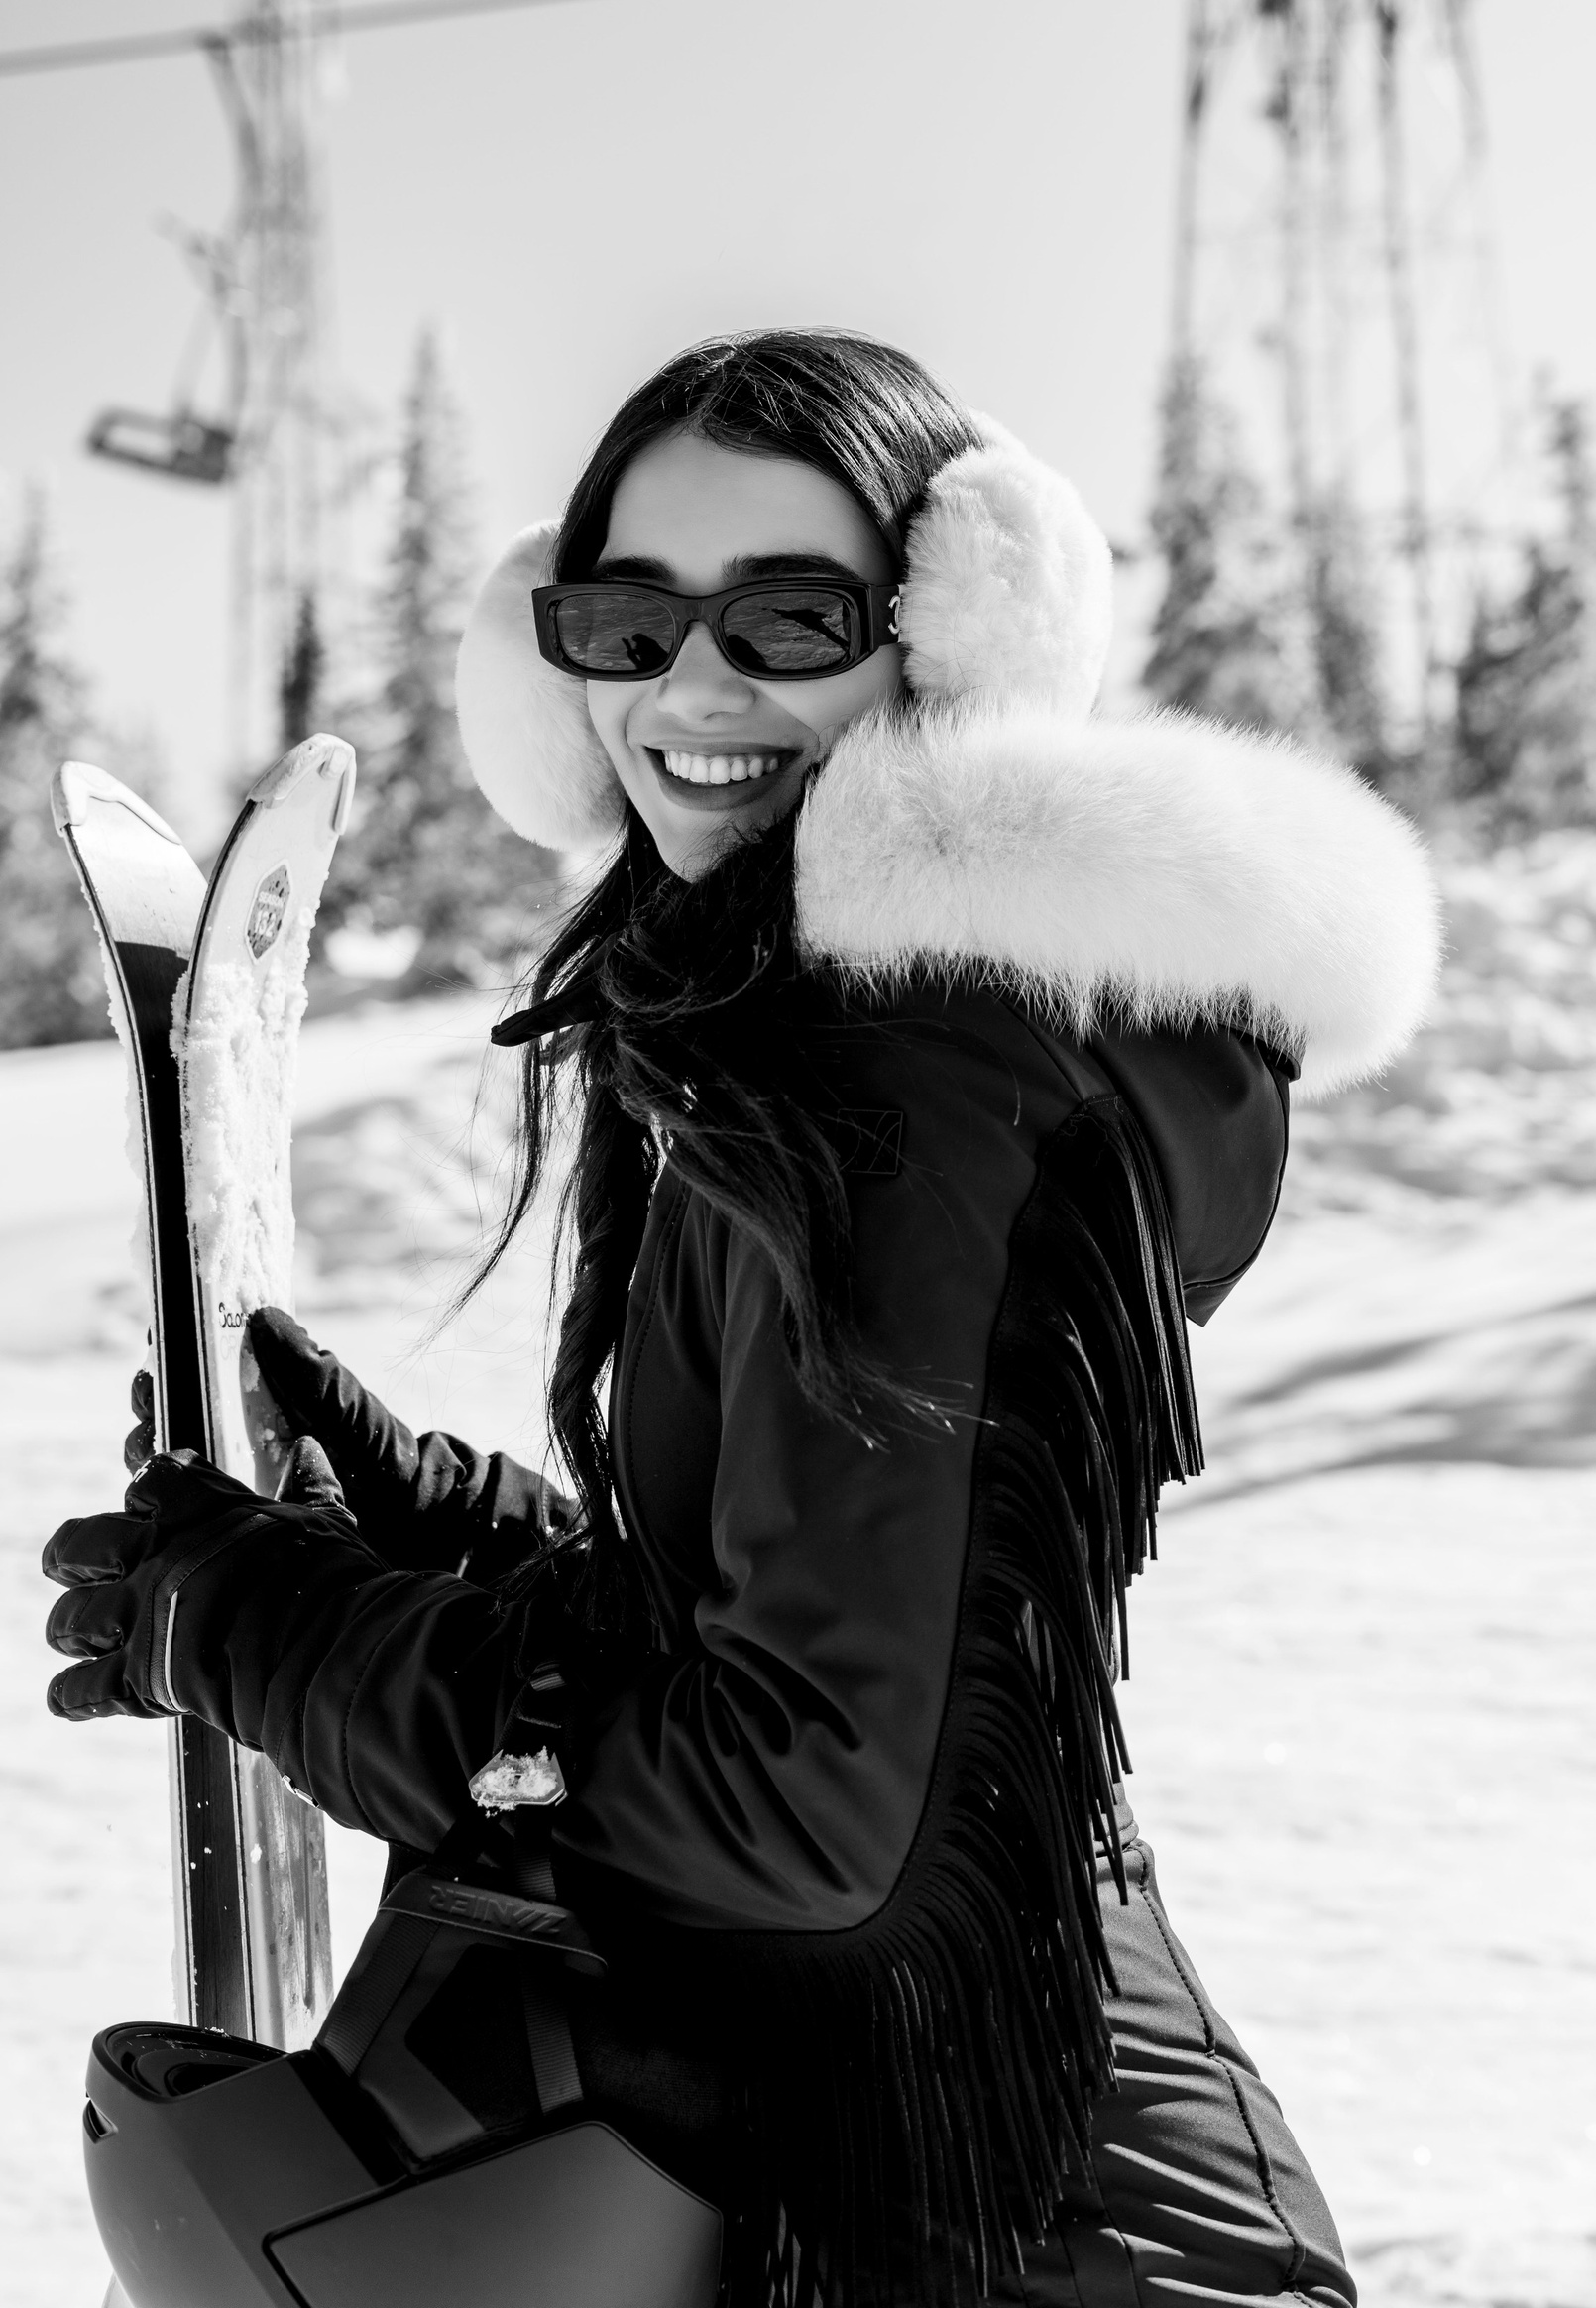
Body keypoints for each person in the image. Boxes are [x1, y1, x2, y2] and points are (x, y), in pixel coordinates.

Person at [45, 331, 1438, 2308]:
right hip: (957, 2198)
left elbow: (798, 1810)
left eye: (790, 619)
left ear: (942, 642)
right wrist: (440, 1522)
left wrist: (295, 1638)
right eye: (625, 626)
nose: (694, 690)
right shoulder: (805, 1041)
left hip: (1045, 2249)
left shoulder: (925, 1082)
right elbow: (810, 1638)